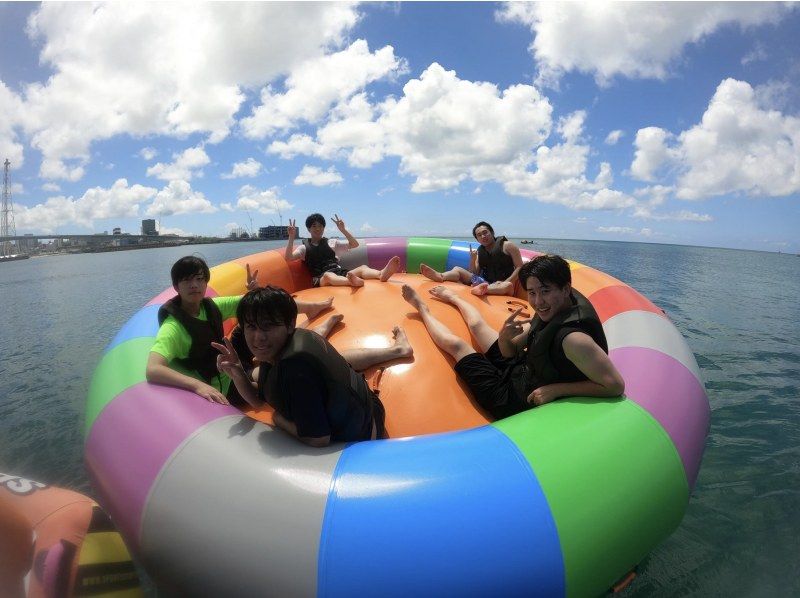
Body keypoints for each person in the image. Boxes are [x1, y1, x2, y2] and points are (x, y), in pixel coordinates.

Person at [401, 254, 624, 419]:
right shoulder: (553, 310)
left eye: (546, 291)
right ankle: (454, 298)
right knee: (478, 325)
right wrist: (506, 337)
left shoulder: (574, 340)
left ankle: (421, 308)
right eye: (533, 293)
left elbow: (615, 385)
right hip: (521, 368)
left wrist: (557, 390)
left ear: (566, 289)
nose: (537, 302)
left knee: (457, 345)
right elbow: (509, 352)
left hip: (512, 397)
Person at [215, 286, 414, 447]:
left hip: (365, 434)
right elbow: (259, 401)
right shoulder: (281, 348)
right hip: (363, 405)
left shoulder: (295, 371)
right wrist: (237, 373)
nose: (258, 337)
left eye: (268, 326)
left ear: (290, 324)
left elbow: (318, 439)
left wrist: (278, 419)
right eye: (251, 327)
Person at [146, 256, 335, 406]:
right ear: (176, 287)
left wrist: (254, 291)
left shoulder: (210, 306)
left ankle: (312, 313)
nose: (194, 285)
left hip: (228, 359)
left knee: (259, 314)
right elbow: (153, 369)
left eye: (199, 279)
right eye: (187, 281)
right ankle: (318, 332)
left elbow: (267, 304)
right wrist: (197, 386)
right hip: (223, 382)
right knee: (270, 374)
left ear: (206, 283)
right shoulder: (173, 328)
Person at [285, 213, 401, 287]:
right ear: (308, 229)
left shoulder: (332, 243)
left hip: (339, 272)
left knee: (362, 268)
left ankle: (380, 274)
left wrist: (343, 230)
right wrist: (291, 237)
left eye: (320, 226)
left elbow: (354, 244)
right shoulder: (304, 248)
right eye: (314, 226)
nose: (318, 228)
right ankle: (351, 282)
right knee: (328, 276)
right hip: (321, 279)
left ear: (324, 228)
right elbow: (289, 257)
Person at [419, 221, 523, 296]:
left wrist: (507, 281)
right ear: (477, 239)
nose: (483, 236)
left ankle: (484, 290)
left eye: (485, 232)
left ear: (492, 232)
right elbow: (474, 273)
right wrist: (473, 260)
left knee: (507, 285)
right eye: (479, 235)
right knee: (457, 269)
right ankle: (440, 276)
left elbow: (520, 267)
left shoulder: (508, 245)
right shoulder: (480, 251)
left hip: (504, 286)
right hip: (486, 283)